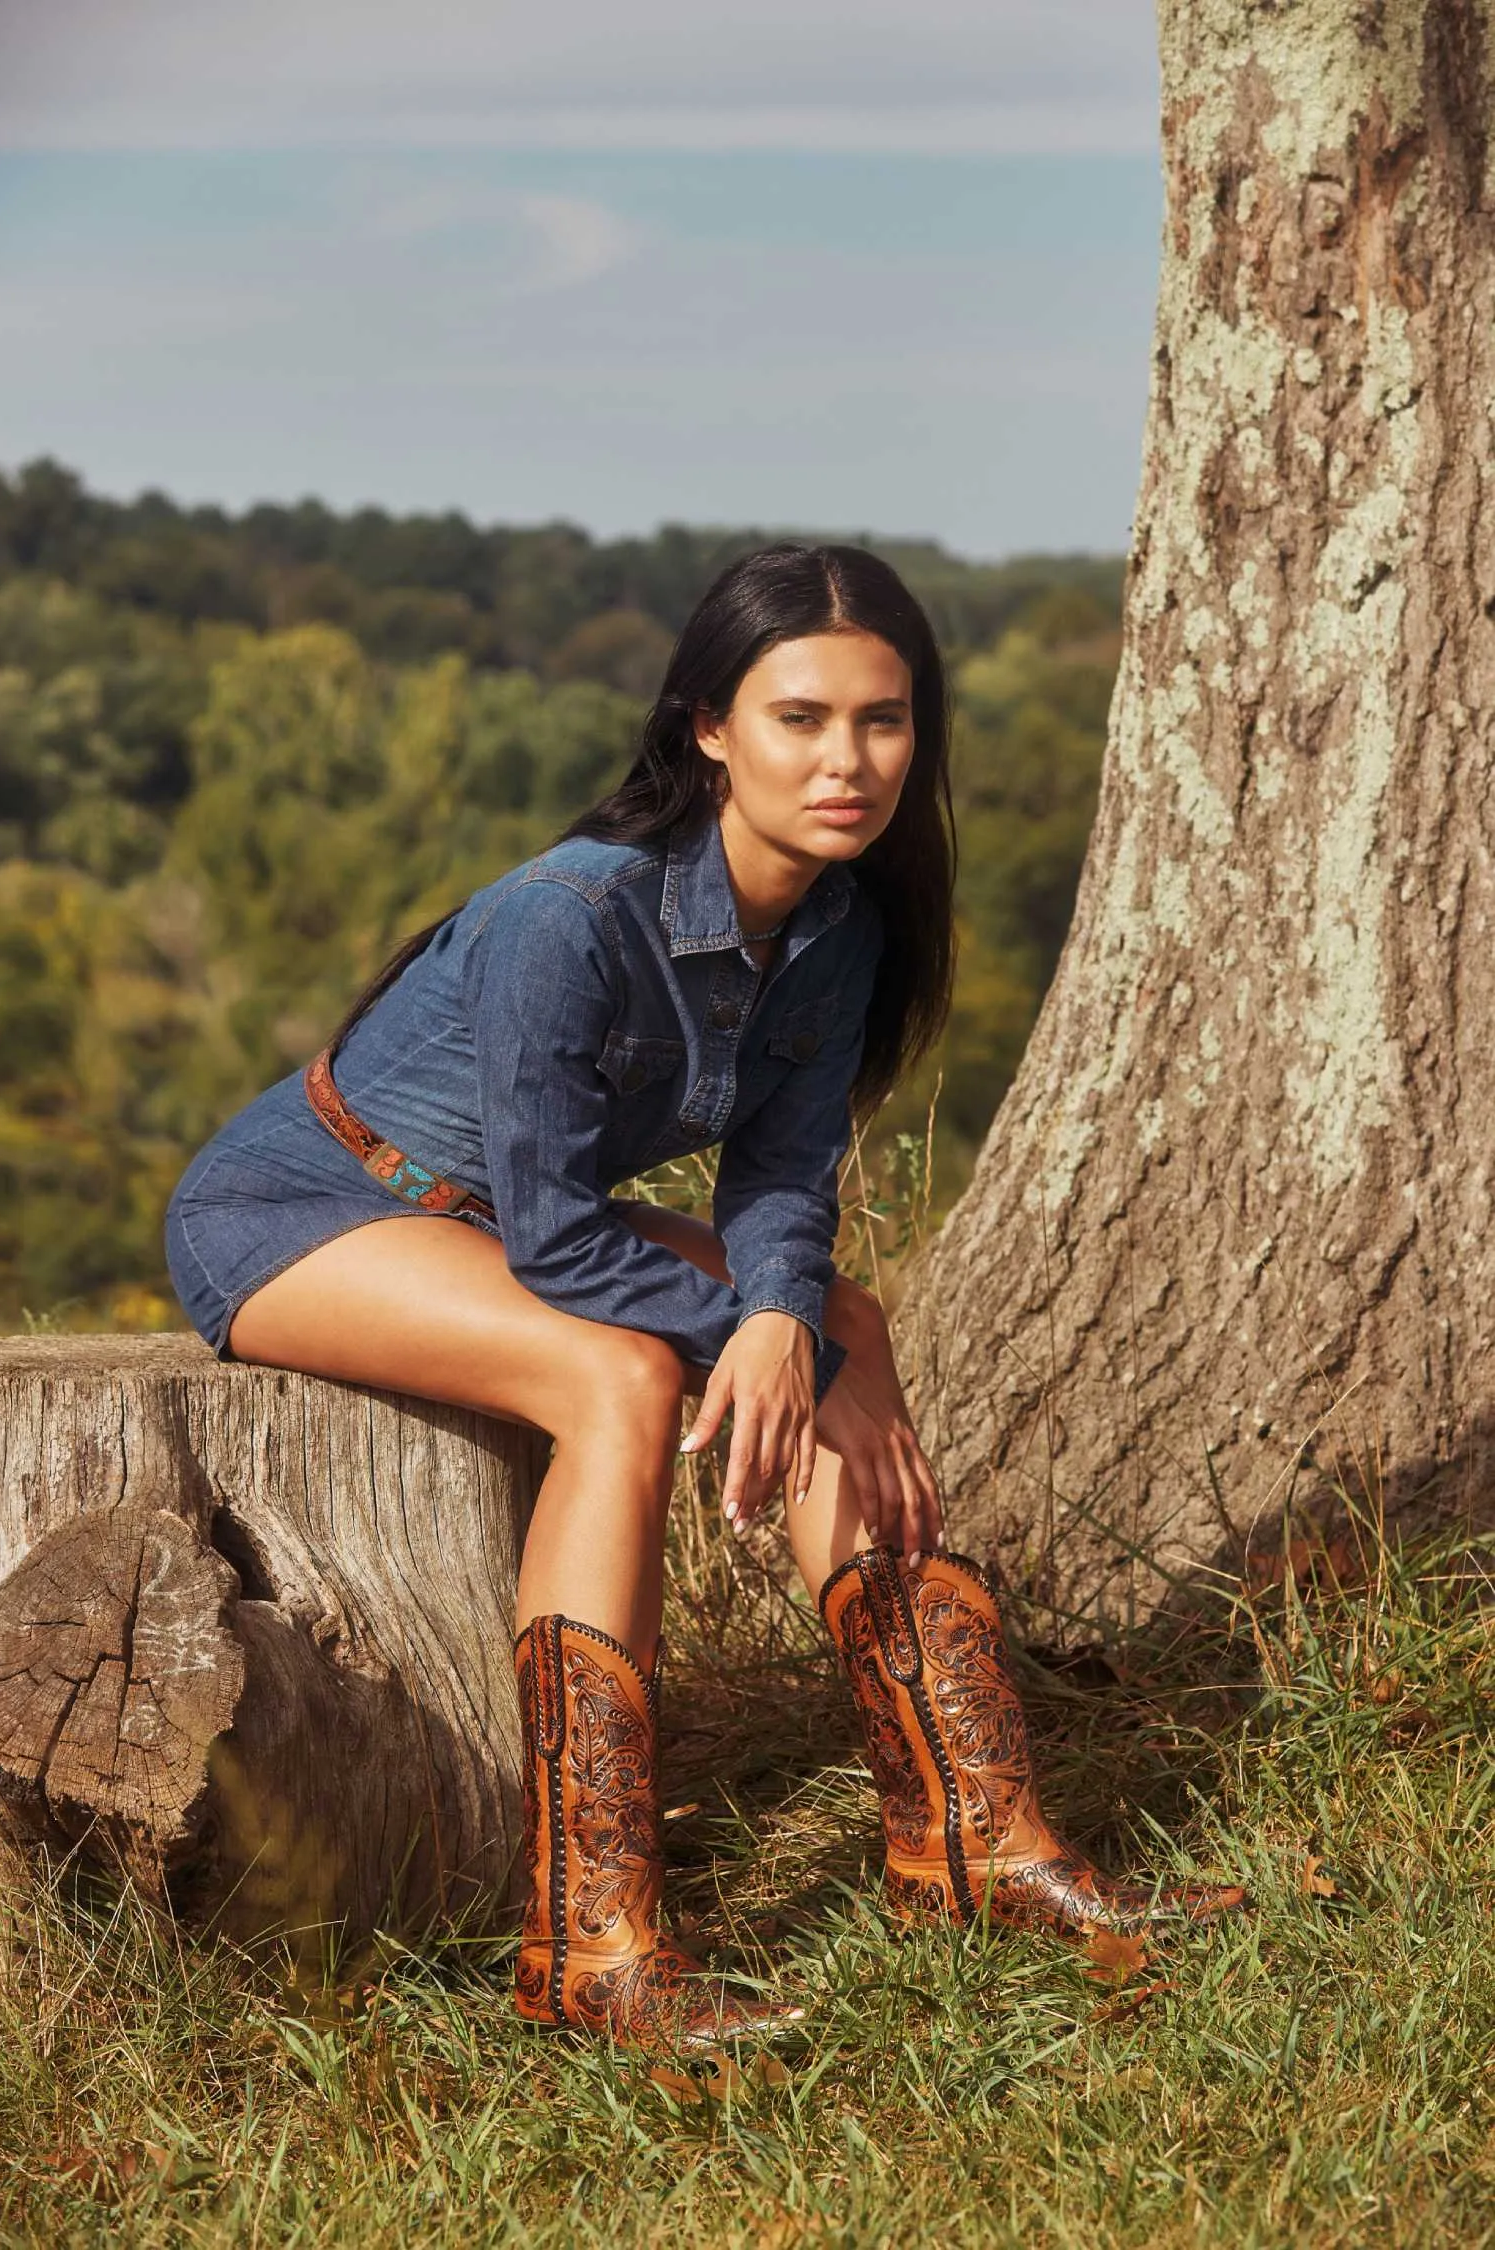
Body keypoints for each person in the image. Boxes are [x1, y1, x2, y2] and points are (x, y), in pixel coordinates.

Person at [165, 544, 1242, 2052]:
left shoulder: (839, 926)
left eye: (883, 719)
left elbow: (784, 1183)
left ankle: (972, 1833)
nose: (849, 760)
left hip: (487, 1229)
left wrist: (790, 1317)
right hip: (312, 1208)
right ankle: (591, 1942)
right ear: (709, 730)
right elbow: (554, 1246)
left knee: (838, 1315)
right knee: (615, 1379)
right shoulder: (575, 914)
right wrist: (750, 1331)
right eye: (800, 718)